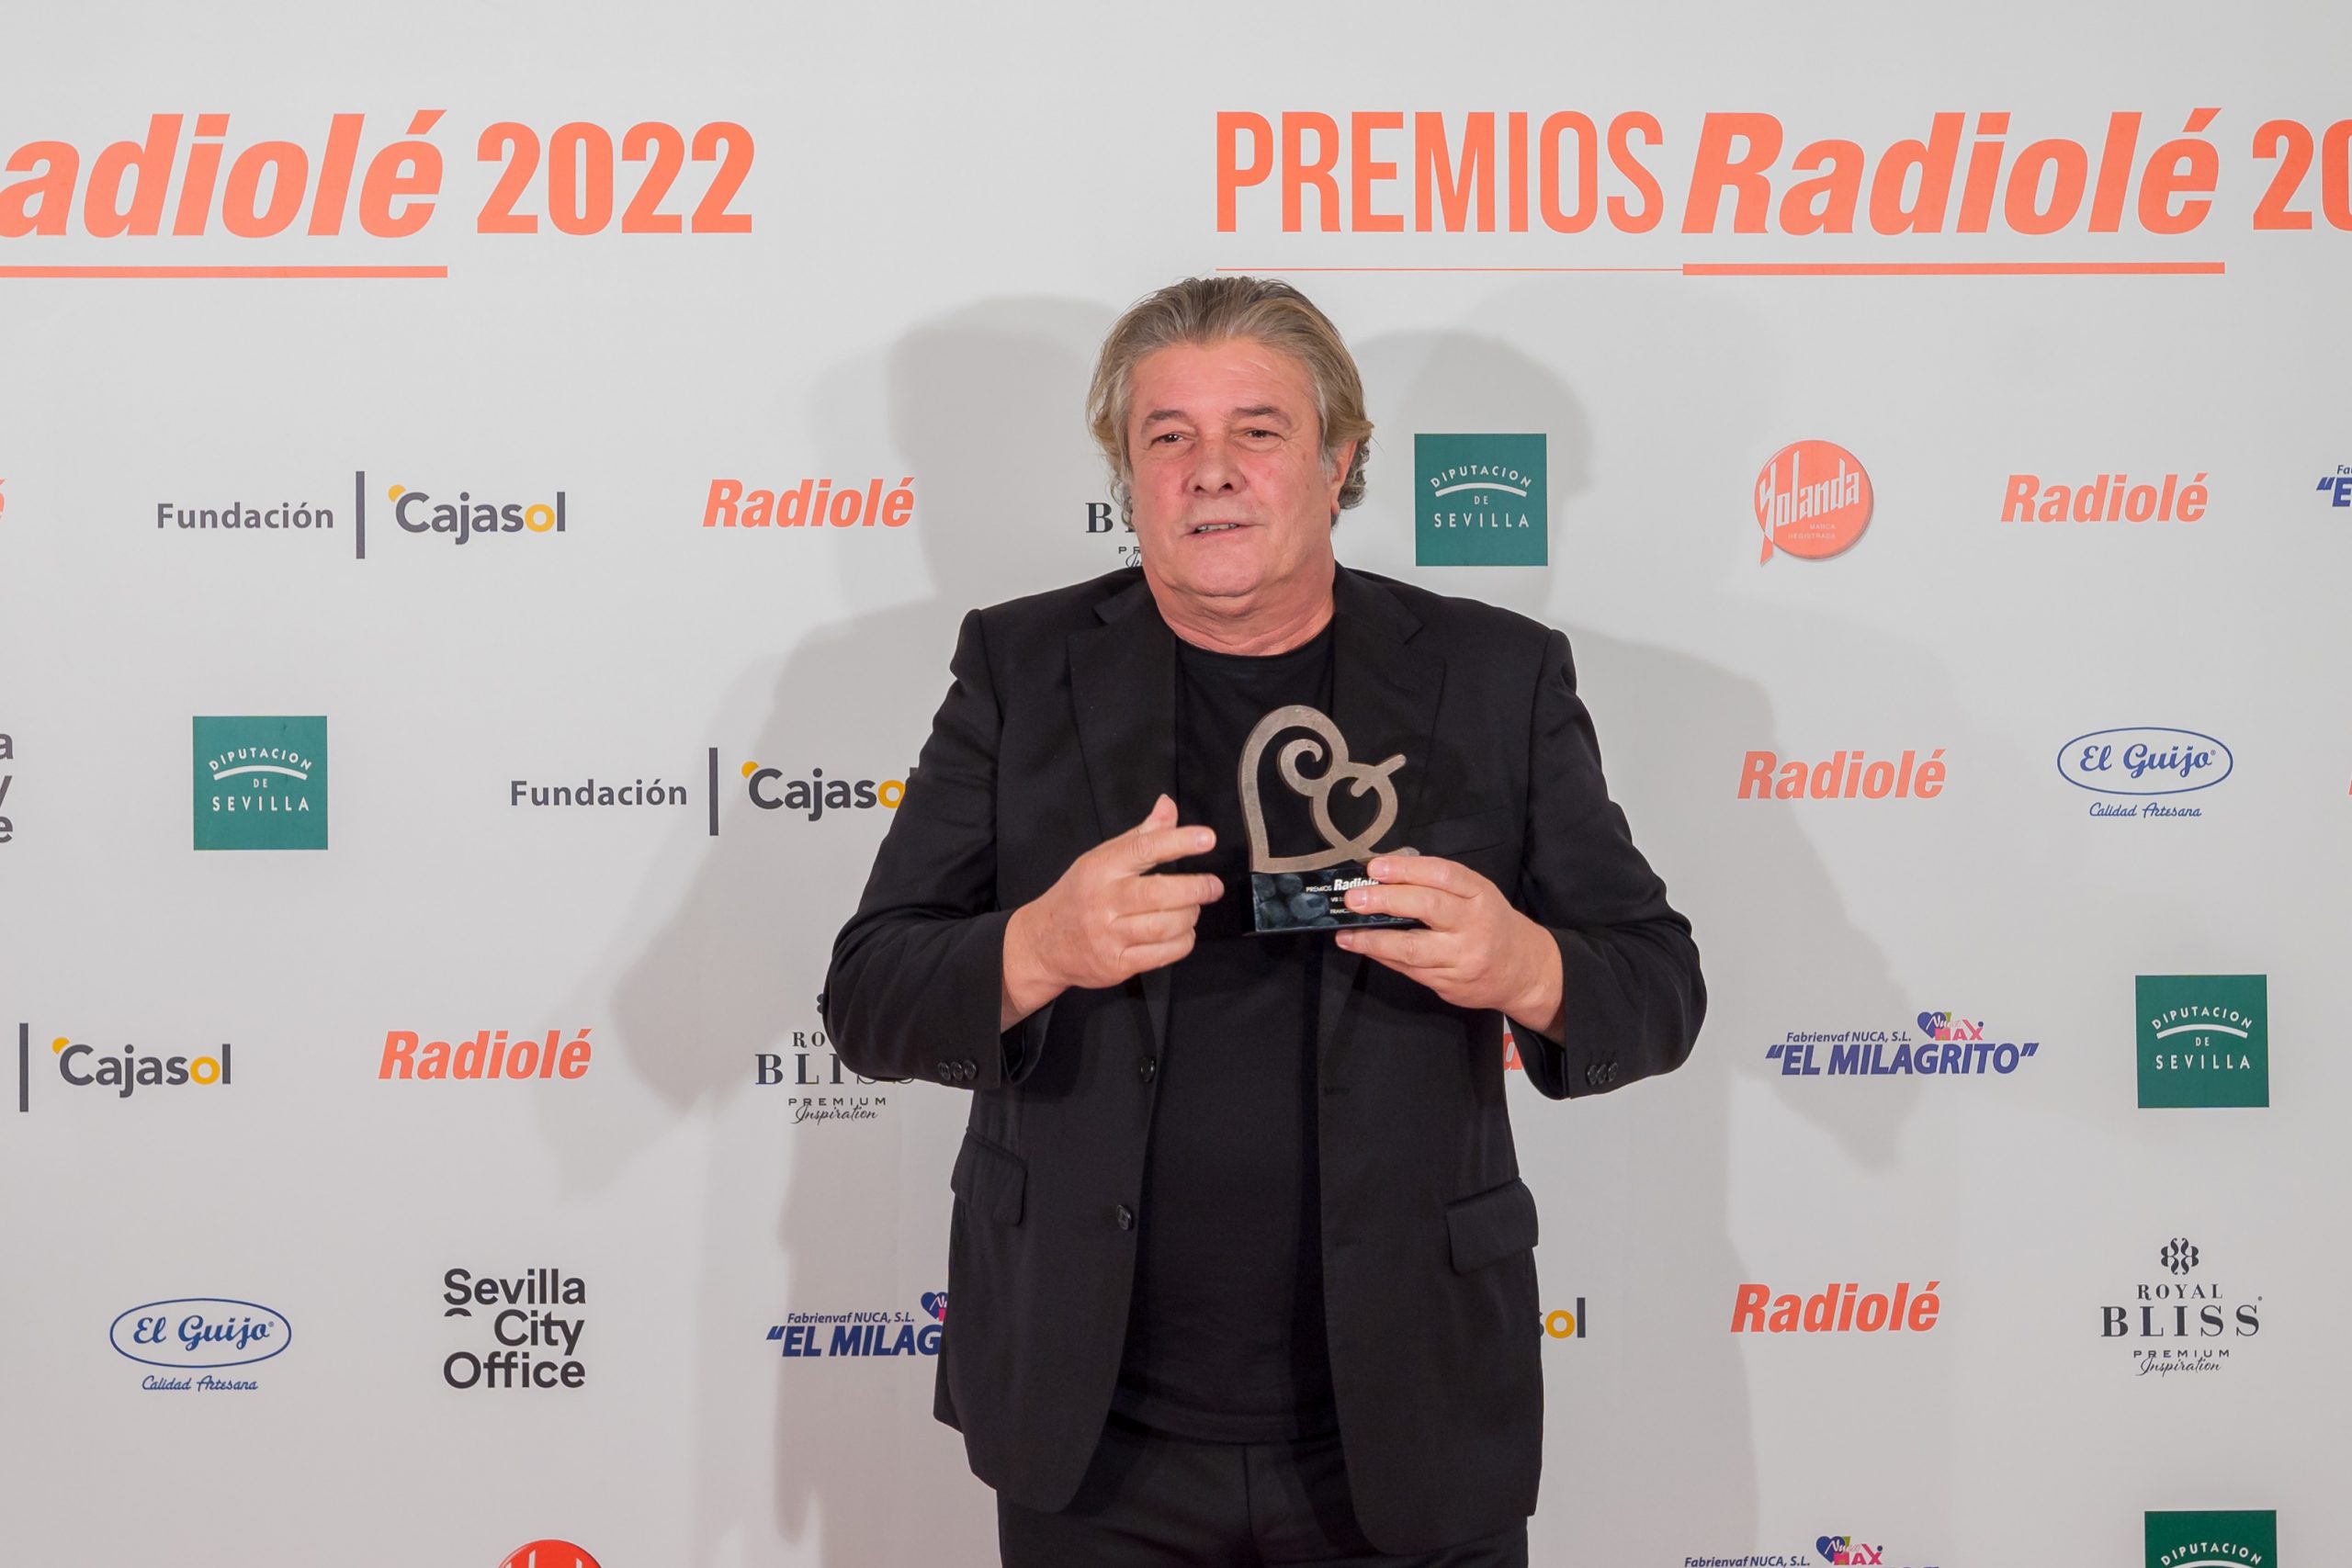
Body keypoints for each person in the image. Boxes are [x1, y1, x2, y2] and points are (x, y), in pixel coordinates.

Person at [824, 276, 1703, 1566]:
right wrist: (1039, 947)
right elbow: (868, 995)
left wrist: (1527, 966)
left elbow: (1658, 987)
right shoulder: (1018, 668)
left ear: (1339, 460)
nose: (1212, 471)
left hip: (1407, 1422)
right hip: (1093, 1432)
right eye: (1169, 435)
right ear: (1128, 472)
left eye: (1259, 430)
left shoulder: (1496, 674)